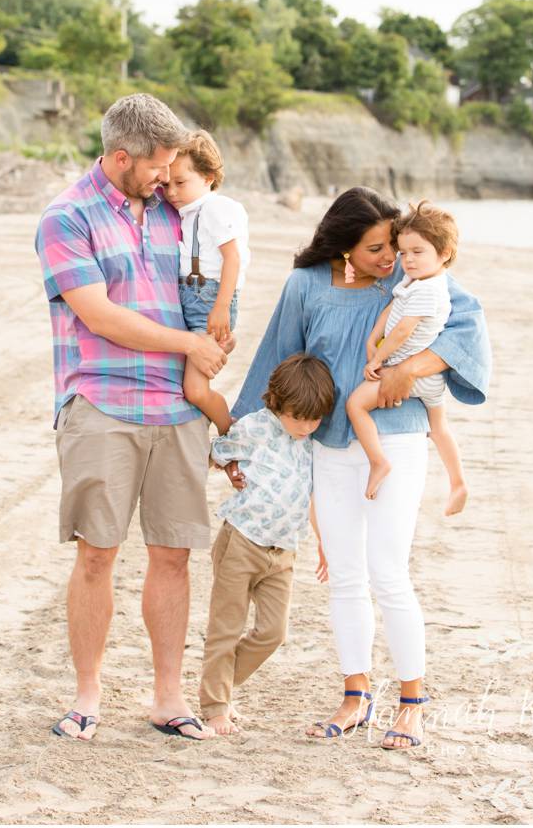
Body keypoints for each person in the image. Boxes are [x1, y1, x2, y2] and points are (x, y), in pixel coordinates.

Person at [225, 187, 492, 753]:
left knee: (389, 572)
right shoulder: (306, 286)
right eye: (377, 247)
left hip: (396, 440)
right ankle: (355, 696)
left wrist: (411, 368)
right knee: (345, 576)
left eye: (394, 245)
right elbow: (276, 358)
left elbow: (467, 329)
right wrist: (237, 444)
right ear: (346, 246)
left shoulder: (412, 283)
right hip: (328, 444)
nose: (391, 257)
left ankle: (412, 704)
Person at [36, 93, 232, 743]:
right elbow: (98, 315)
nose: (165, 177)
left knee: (174, 554)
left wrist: (213, 343)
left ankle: (167, 698)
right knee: (97, 554)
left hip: (178, 409)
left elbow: (220, 275)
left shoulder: (181, 214)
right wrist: (188, 345)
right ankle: (88, 695)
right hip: (101, 404)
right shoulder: (67, 218)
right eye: (157, 165)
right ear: (122, 157)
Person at [196, 352, 335, 736]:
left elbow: (309, 495)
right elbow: (217, 451)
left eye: (315, 419)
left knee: (273, 633)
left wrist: (324, 541)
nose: (307, 426)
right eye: (299, 418)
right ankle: (215, 705)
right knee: (226, 626)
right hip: (242, 540)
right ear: (277, 404)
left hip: (284, 550)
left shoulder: (311, 443)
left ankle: (219, 687)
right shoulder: (256, 428)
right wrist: (231, 468)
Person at [347, 200, 470, 514]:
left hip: (414, 375)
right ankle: (457, 481)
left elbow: (402, 330)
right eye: (403, 252)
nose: (407, 260)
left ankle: (378, 462)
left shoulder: (430, 289)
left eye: (418, 252)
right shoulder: (416, 281)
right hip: (429, 380)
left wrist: (376, 361)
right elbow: (393, 308)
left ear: (444, 254)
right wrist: (373, 336)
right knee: (439, 428)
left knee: (356, 404)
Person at [160, 129, 250, 435]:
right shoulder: (185, 213)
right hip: (192, 300)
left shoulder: (216, 208)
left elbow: (233, 258)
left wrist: (221, 308)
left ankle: (230, 430)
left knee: (195, 391)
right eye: (166, 184)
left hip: (209, 301)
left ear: (209, 177)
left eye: (180, 183)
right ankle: (226, 343)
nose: (171, 192)